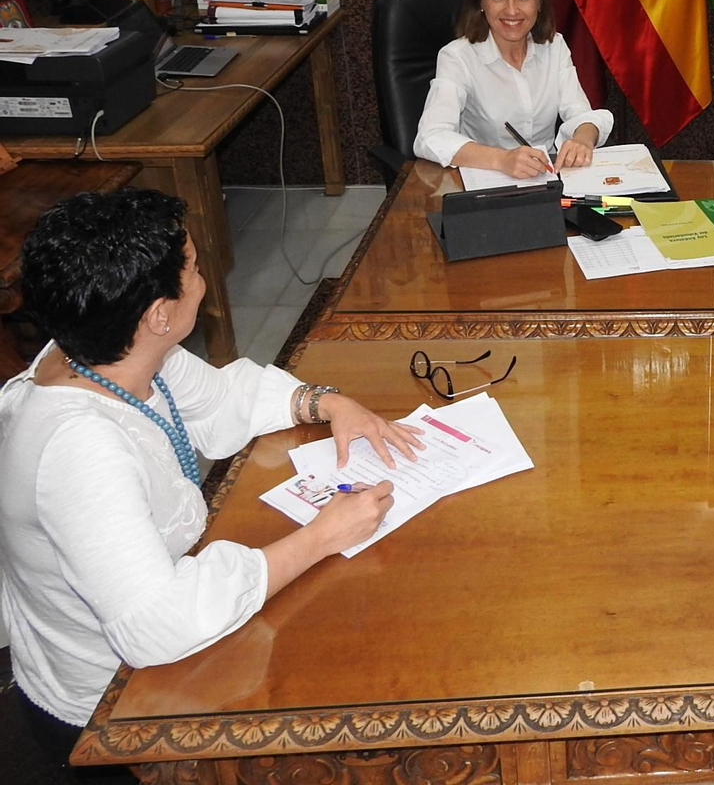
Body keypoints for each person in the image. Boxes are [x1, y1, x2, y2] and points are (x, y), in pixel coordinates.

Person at [0, 189, 424, 767]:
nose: (204, 279)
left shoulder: (110, 350)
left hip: (162, 639)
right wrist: (321, 536)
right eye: (195, 268)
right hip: (114, 707)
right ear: (159, 314)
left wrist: (325, 402)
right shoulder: (80, 450)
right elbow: (158, 623)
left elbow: (224, 401)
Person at [414, 0, 614, 178]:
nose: (511, 10)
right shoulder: (457, 57)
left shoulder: (554, 47)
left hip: (546, 178)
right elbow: (431, 136)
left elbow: (581, 115)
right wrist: (502, 159)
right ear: (481, 2)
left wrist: (582, 140)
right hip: (484, 181)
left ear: (539, 3)